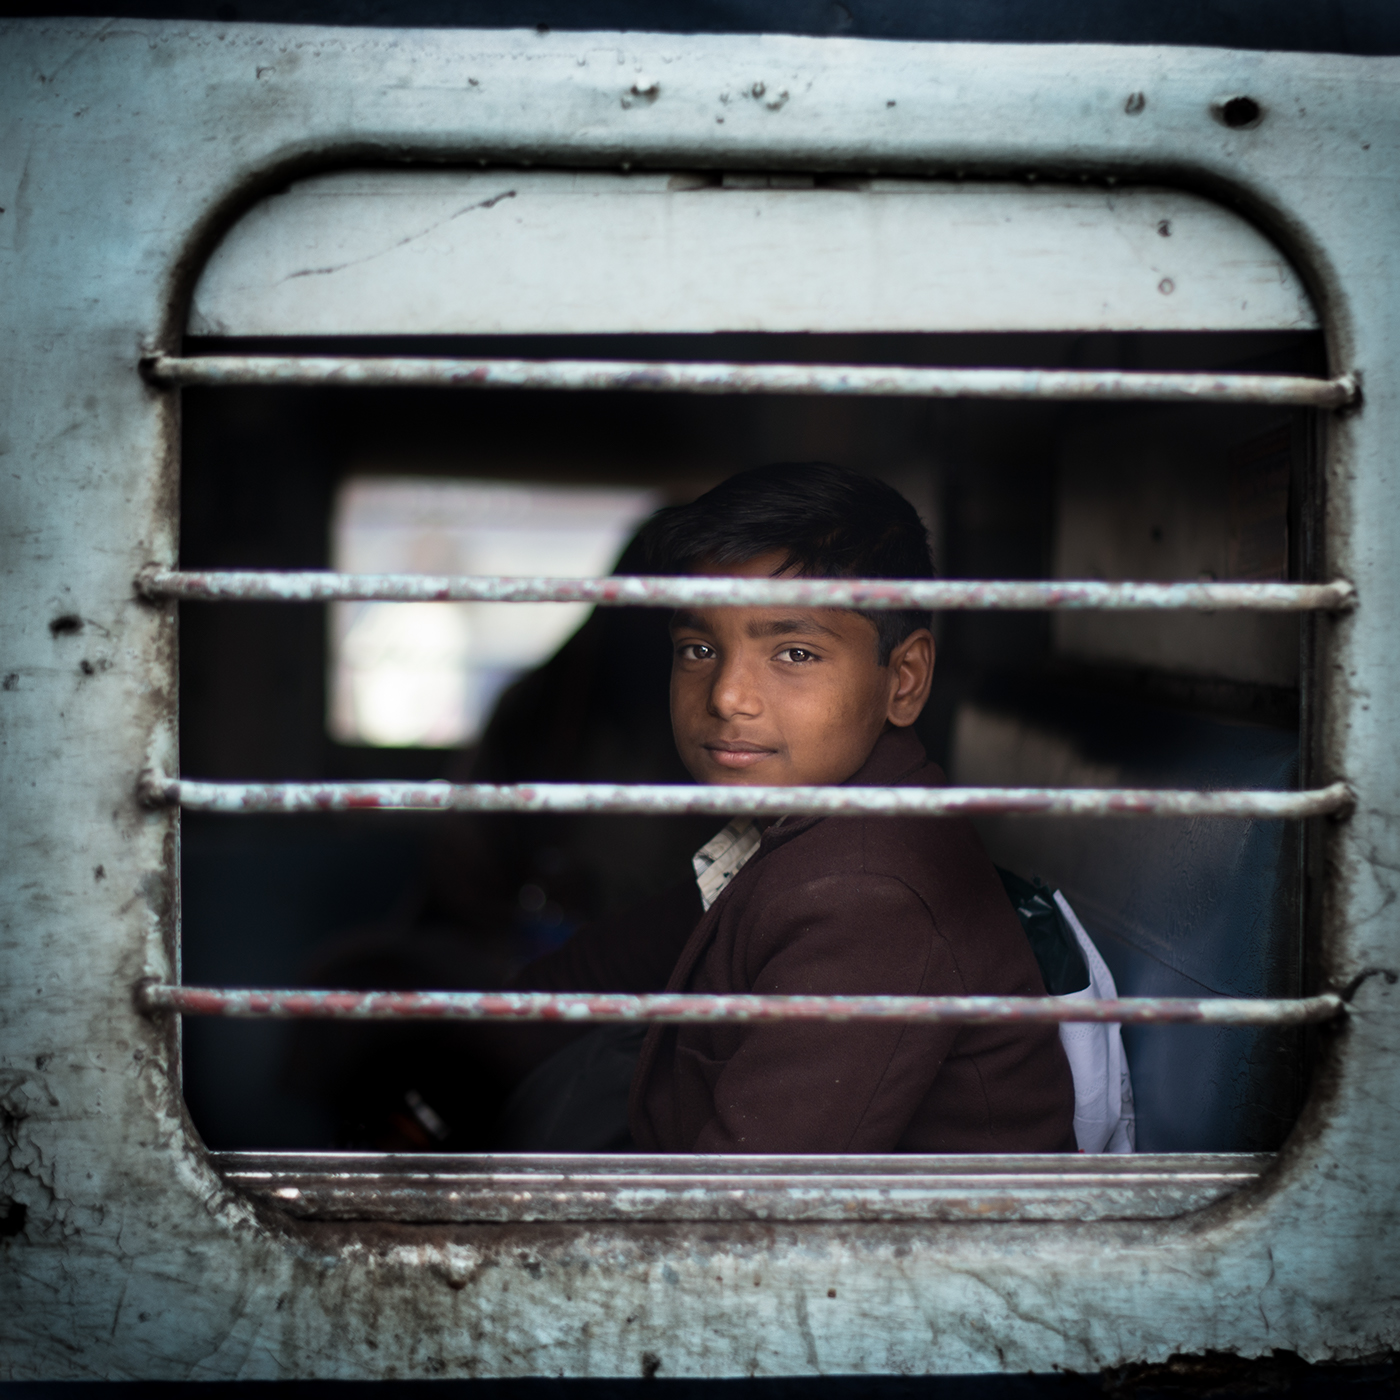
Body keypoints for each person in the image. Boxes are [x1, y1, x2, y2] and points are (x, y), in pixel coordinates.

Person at [478, 462, 1077, 1154]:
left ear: (903, 681)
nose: (728, 695)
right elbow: (597, 969)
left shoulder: (868, 894)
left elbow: (739, 1223)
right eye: (698, 649)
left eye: (794, 653)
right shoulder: (789, 836)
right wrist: (452, 1068)